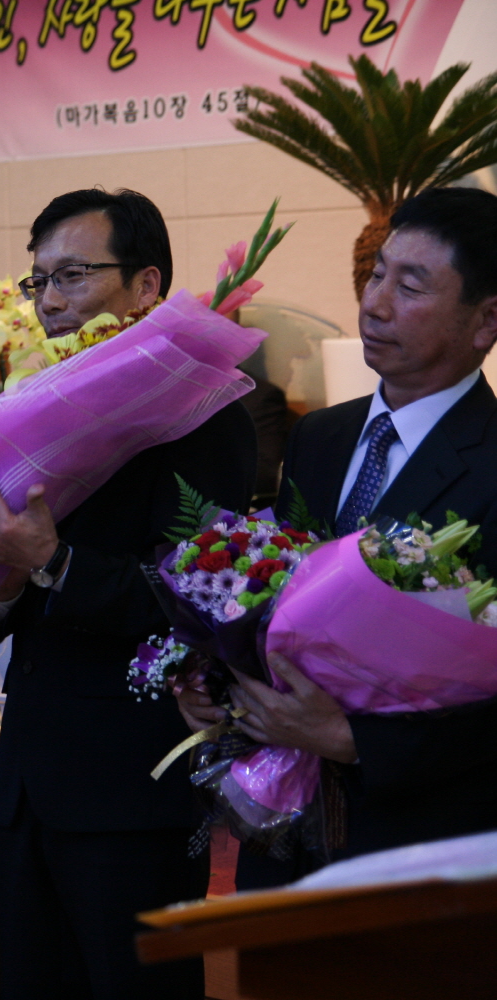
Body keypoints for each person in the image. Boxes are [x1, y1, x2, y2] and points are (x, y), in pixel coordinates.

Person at [0, 189, 256, 1000]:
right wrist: (0, 580)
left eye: (72, 276)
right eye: (38, 280)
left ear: (146, 285)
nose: (49, 301)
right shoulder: (33, 402)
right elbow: (9, 601)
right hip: (28, 781)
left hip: (129, 790)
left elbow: (200, 596)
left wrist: (55, 561)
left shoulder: (201, 410)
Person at [177, 186, 497, 888]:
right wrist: (213, 679)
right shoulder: (320, 435)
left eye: (410, 286)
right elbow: (278, 600)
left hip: (414, 845)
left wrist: (354, 741)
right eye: (377, 275)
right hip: (283, 832)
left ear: (486, 321)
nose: (375, 304)